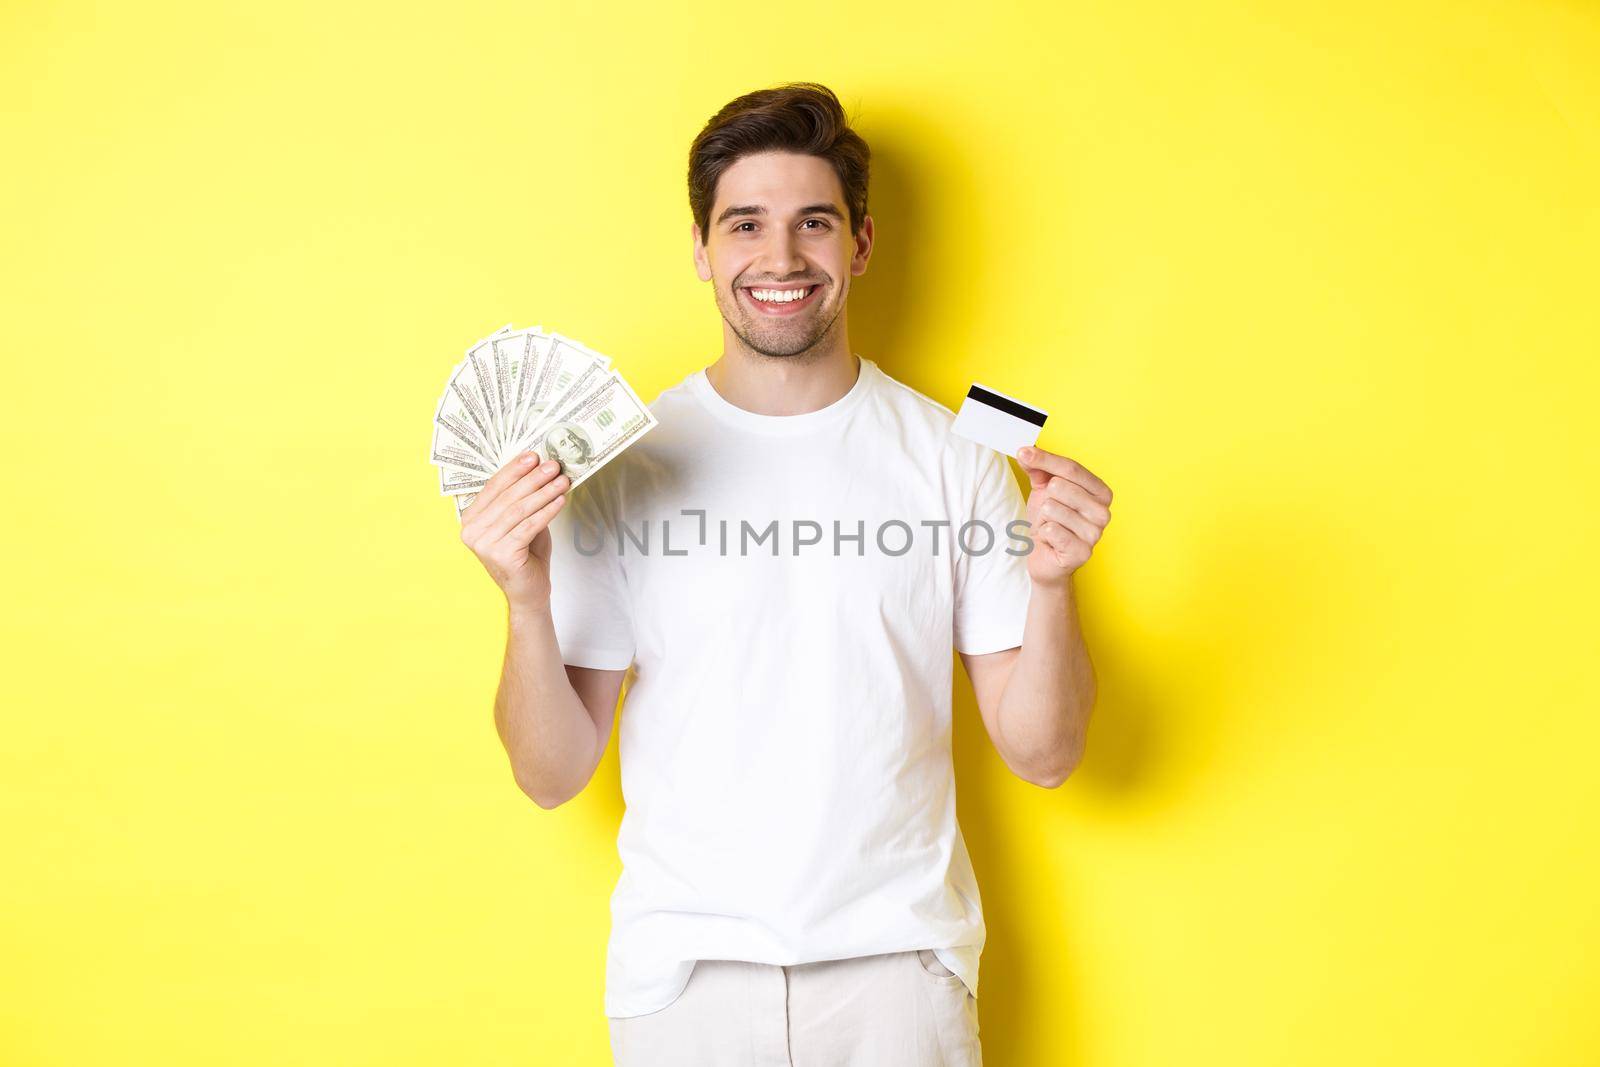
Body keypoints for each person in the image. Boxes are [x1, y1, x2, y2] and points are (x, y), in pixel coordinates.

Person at [457, 82, 1112, 1067]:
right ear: (700, 248)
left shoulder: (952, 456)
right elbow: (549, 774)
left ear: (860, 244)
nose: (779, 259)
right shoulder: (619, 462)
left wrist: (1054, 586)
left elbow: (1045, 752)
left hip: (900, 969)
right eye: (745, 225)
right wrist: (522, 595)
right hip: (686, 976)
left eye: (814, 223)